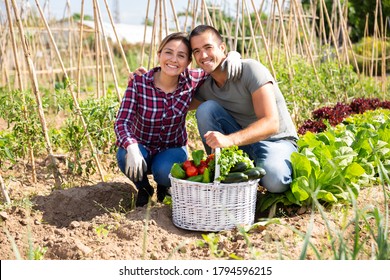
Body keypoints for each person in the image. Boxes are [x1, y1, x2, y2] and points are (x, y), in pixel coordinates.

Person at [114, 32, 241, 207]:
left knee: (165, 171)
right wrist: (132, 146)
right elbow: (122, 121)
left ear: (188, 62)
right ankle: (144, 189)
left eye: (181, 55)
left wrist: (233, 56)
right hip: (142, 145)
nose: (173, 59)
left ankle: (164, 186)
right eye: (168, 52)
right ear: (159, 55)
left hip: (172, 147)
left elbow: (216, 67)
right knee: (124, 154)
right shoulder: (139, 82)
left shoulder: (192, 80)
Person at [188, 25, 298, 193]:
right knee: (206, 109)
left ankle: (265, 169)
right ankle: (225, 174)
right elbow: (175, 102)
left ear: (222, 47)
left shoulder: (250, 70)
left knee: (276, 181)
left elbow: (271, 123)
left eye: (208, 47)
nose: (202, 55)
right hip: (244, 144)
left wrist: (229, 140)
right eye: (196, 51)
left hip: (276, 142)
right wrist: (149, 79)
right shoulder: (205, 86)